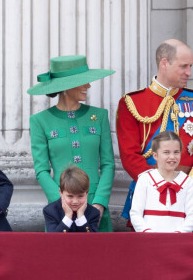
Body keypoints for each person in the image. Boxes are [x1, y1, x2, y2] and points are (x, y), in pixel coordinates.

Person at [28, 55, 115, 232]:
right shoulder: (39, 121)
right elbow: (41, 170)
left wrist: (100, 202)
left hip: (95, 207)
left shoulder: (100, 116)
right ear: (65, 87)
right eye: (83, 81)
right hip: (60, 211)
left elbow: (108, 164)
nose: (88, 86)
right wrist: (61, 202)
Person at [116, 39, 193, 221]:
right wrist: (159, 184)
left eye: (190, 66)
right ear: (164, 63)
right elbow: (129, 156)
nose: (189, 73)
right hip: (150, 195)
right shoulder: (132, 102)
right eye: (184, 66)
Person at [130, 131, 193, 232]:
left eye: (176, 152)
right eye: (166, 152)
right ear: (155, 155)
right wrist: (148, 233)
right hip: (149, 240)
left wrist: (179, 234)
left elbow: (191, 217)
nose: (172, 157)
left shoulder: (188, 182)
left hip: (178, 241)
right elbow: (135, 214)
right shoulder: (145, 179)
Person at [43, 165, 100, 233]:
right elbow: (53, 240)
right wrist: (68, 216)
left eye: (80, 196)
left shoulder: (93, 213)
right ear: (61, 193)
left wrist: (81, 217)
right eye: (70, 196)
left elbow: (92, 240)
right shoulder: (50, 211)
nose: (75, 201)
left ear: (86, 193)